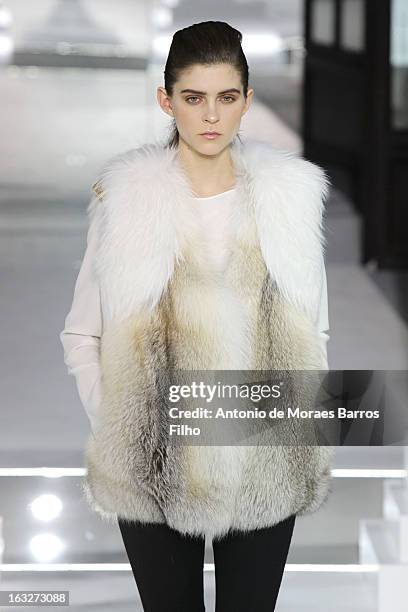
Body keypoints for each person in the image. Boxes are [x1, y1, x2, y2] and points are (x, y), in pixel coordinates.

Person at [60, 21, 333, 612]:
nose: (211, 116)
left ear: (246, 101)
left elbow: (315, 327)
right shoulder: (126, 202)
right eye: (193, 97)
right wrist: (125, 425)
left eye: (226, 98)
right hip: (151, 456)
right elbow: (83, 332)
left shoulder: (290, 198)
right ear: (167, 100)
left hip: (264, 452)